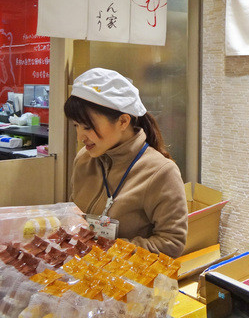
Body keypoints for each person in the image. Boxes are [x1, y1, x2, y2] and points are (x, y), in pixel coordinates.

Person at [65, 67, 188, 258]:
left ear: (123, 121)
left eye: (88, 127)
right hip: (84, 274)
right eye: (76, 126)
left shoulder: (161, 172)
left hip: (131, 283)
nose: (81, 136)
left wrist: (110, 250)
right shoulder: (84, 159)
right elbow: (76, 217)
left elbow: (171, 243)